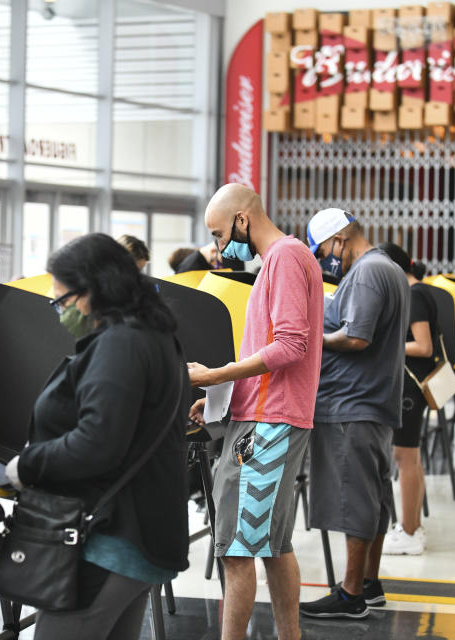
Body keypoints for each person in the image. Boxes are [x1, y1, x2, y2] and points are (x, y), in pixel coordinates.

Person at [3, 233, 190, 640]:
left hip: (111, 536)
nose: (59, 311)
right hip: (139, 533)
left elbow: (97, 443)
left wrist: (27, 465)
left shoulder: (121, 344)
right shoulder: (153, 336)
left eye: (62, 301)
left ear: (94, 292)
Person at [186, 184, 323, 640]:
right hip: (267, 416)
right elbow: (272, 354)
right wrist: (225, 399)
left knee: (236, 549)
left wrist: (214, 376)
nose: (220, 249)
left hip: (270, 422)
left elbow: (289, 345)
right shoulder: (282, 260)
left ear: (243, 220)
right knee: (274, 546)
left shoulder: (284, 258)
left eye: (220, 234)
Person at [299, 209, 409, 619]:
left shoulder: (365, 272)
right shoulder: (389, 268)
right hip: (372, 403)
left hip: (351, 403)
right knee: (374, 498)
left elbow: (357, 337)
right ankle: (369, 583)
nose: (323, 258)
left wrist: (311, 338)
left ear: (340, 240)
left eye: (322, 249)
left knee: (353, 499)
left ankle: (349, 595)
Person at [377, 243, 435, 556]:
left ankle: (409, 532)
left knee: (405, 458)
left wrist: (385, 346)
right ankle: (412, 526)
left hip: (410, 390)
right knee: (411, 458)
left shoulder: (413, 295)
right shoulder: (420, 292)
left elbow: (423, 346)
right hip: (415, 387)